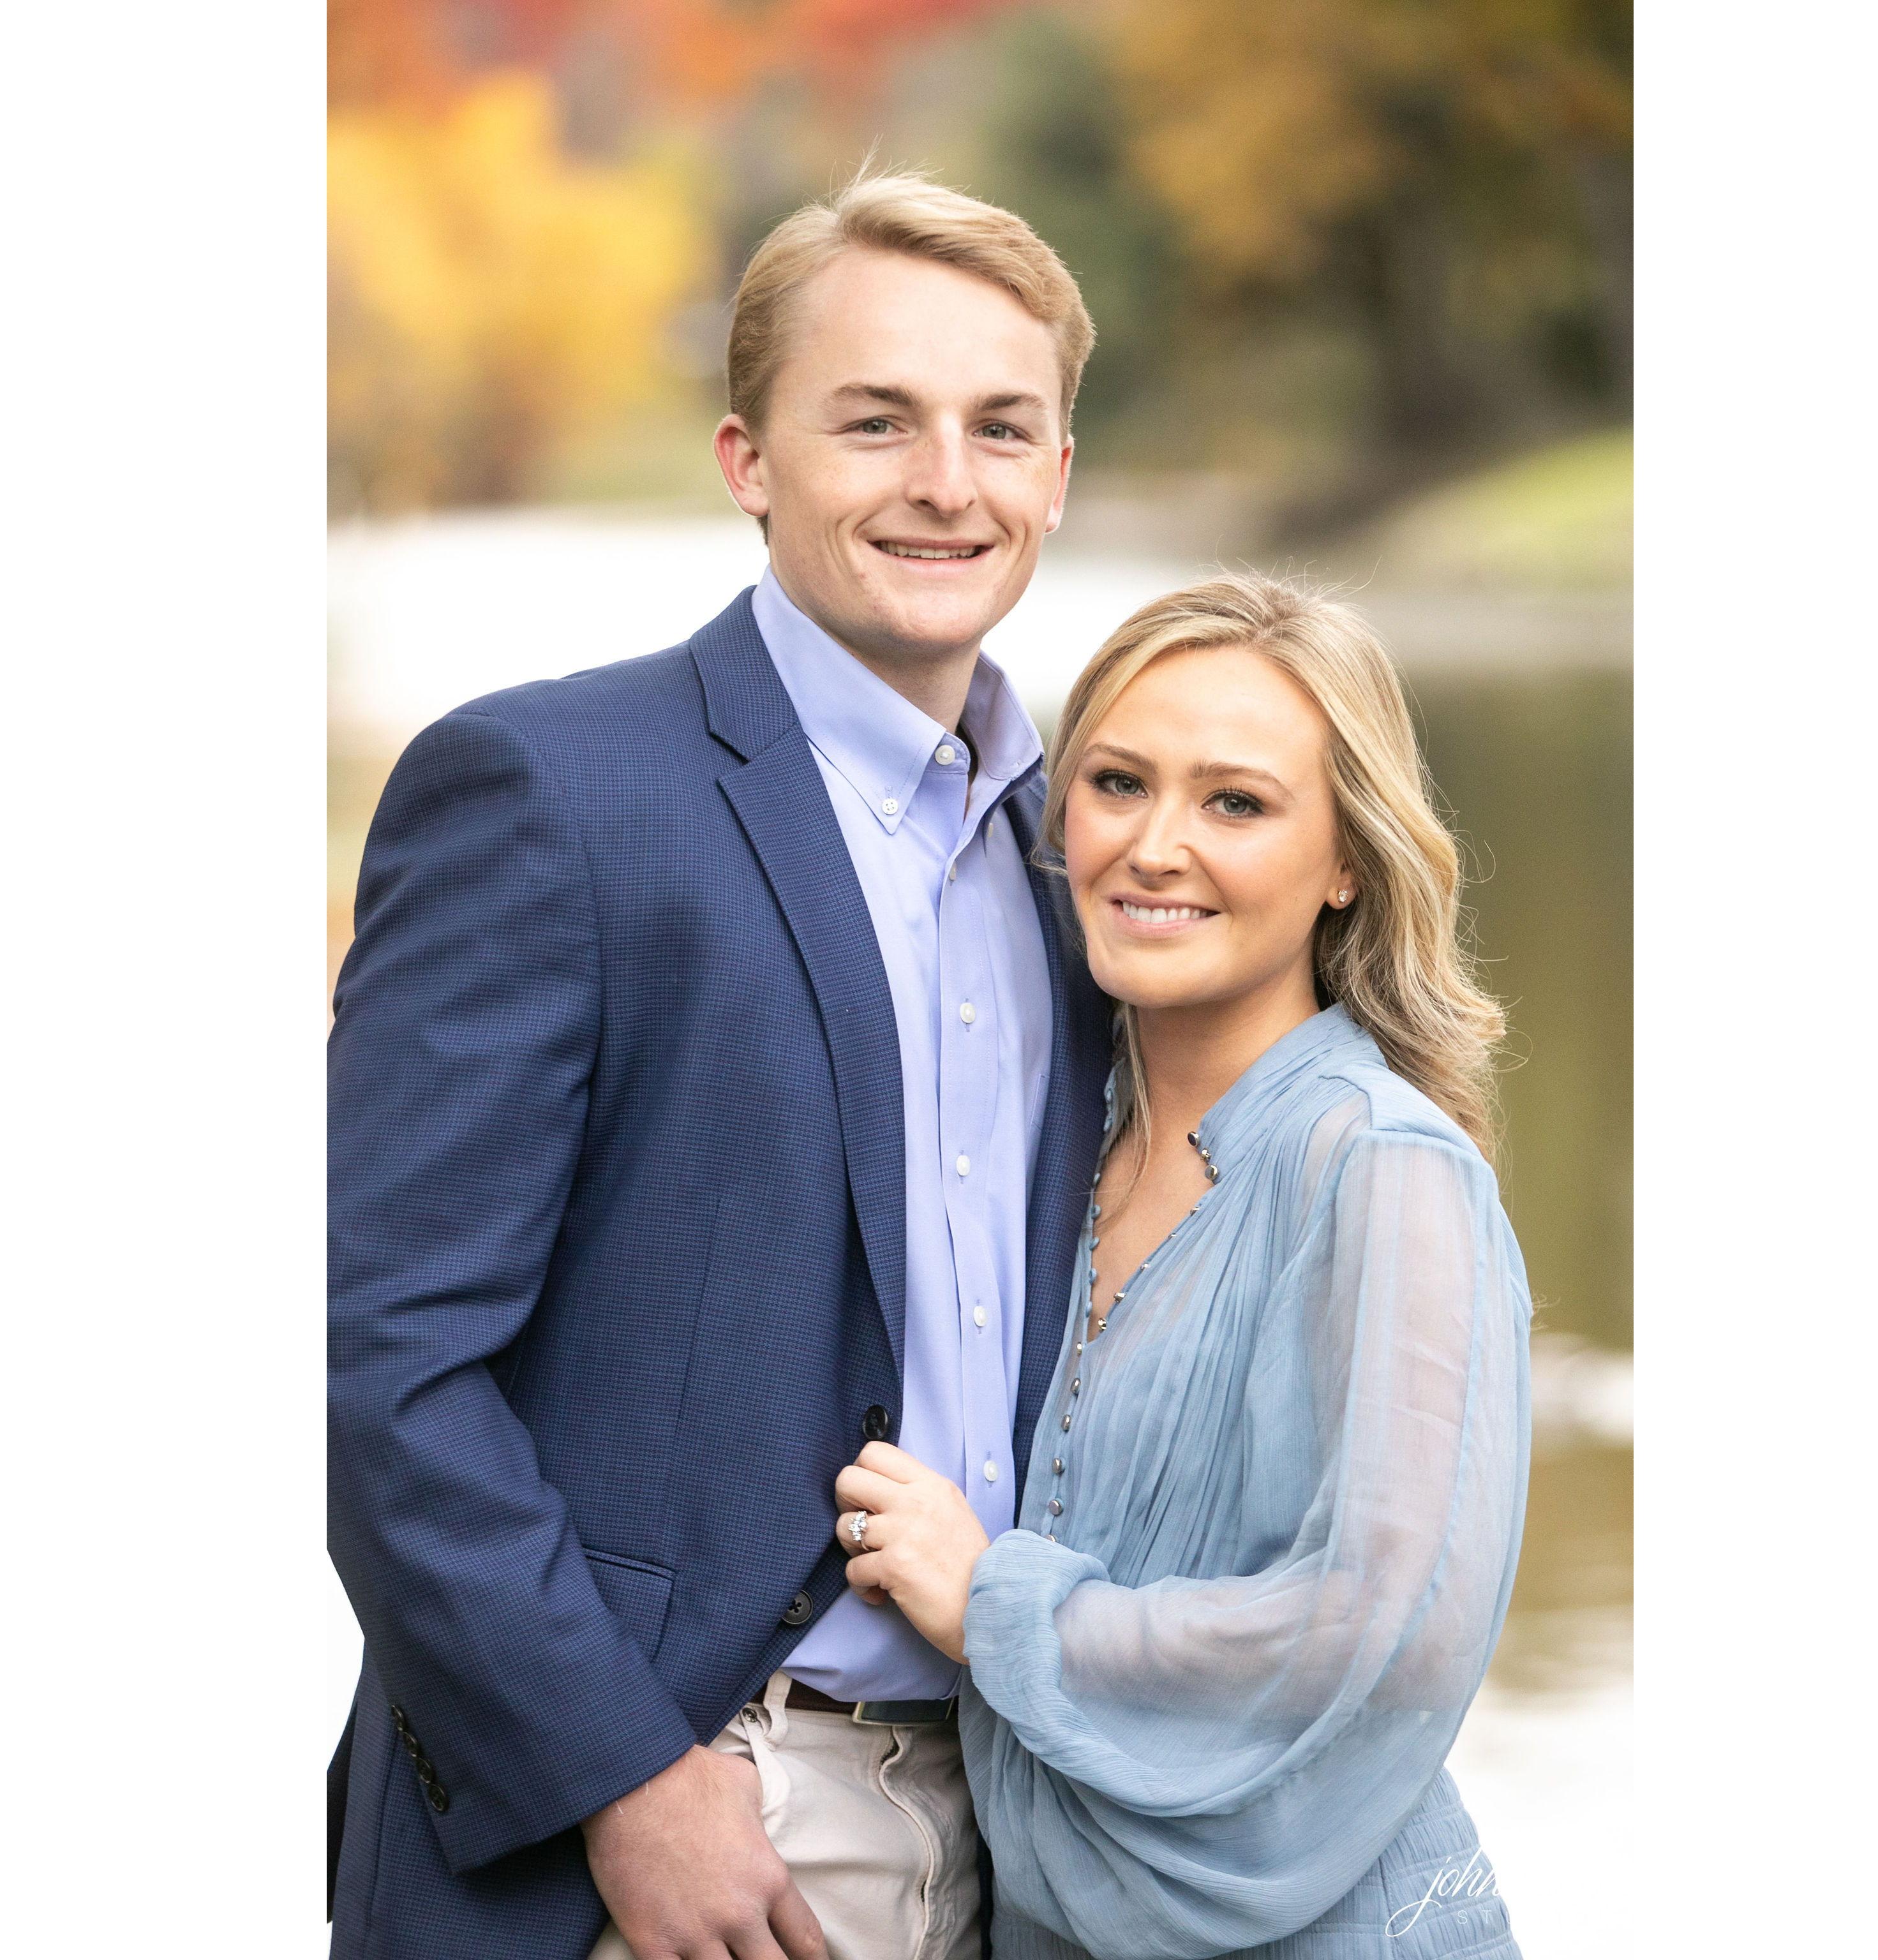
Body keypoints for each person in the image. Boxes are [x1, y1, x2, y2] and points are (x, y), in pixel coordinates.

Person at [326, 171, 1111, 1960]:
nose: (948, 482)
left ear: (1060, 474)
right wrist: (616, 1777)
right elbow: (371, 1357)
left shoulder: (1087, 850)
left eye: (1001, 428)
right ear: (748, 461)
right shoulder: (548, 794)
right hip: (682, 1812)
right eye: (876, 421)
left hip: (1023, 1825)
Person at [831, 574, 1534, 1959]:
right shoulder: (1042, 1147)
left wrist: (997, 1608)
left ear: (1347, 860)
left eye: (1237, 804)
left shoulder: (1383, 1166)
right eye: (1118, 783)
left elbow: (1392, 1632)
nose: (1157, 848)